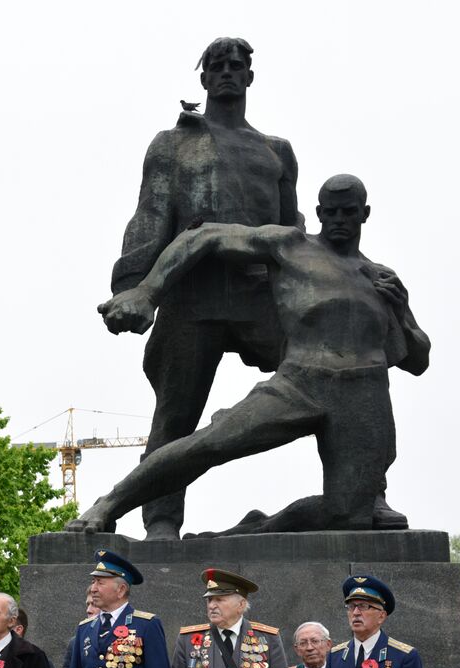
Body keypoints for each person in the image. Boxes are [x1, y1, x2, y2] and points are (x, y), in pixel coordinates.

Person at [69, 173, 429, 536]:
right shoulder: (290, 245)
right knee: (209, 444)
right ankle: (109, 504)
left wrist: (401, 310)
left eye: (348, 212)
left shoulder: (380, 278)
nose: (339, 220)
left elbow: (418, 360)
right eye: (330, 212)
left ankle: (257, 528)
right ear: (318, 212)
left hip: (364, 396)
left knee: (351, 518)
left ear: (364, 214)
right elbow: (203, 236)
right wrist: (147, 292)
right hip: (301, 382)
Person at [103, 36, 300, 540]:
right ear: (205, 79)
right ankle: (162, 523)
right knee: (175, 416)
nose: (229, 72)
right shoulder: (174, 143)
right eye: (218, 65)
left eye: (238, 65)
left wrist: (325, 286)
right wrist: (132, 286)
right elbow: (150, 214)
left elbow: (290, 228)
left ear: (250, 77)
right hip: (193, 293)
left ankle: (365, 492)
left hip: (260, 292)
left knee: (332, 367)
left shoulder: (276, 151)